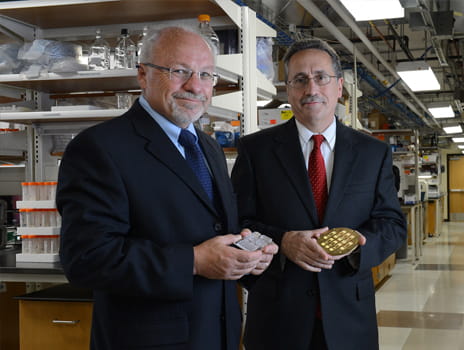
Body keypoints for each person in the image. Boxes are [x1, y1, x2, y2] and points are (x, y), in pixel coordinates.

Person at [56, 26, 278, 350]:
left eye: (205, 74)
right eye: (179, 71)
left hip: (218, 335)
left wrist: (246, 256)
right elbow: (86, 258)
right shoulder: (99, 148)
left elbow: (212, 230)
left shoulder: (208, 147)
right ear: (143, 75)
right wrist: (193, 261)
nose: (194, 86)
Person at [231, 38, 407, 350]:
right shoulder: (255, 150)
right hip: (277, 317)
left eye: (321, 77)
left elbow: (392, 225)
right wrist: (283, 242)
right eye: (300, 79)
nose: (311, 89)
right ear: (289, 89)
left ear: (339, 87)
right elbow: (237, 223)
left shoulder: (373, 153)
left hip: (349, 316)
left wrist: (359, 248)